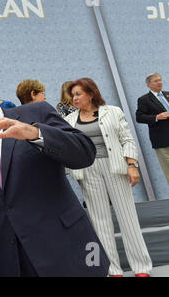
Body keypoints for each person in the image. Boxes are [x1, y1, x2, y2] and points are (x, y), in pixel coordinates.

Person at [0, 74, 109, 277]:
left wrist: (35, 133)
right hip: (9, 263)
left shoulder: (35, 113)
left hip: (64, 249)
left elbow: (84, 154)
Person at [64, 78, 153, 277]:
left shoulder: (113, 111)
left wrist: (132, 165)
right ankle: (113, 270)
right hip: (88, 171)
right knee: (99, 221)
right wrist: (74, 172)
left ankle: (141, 268)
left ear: (91, 93)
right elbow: (69, 149)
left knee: (127, 217)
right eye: (73, 95)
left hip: (115, 167)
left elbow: (127, 139)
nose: (75, 98)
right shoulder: (69, 120)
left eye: (78, 94)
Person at [136, 73, 169, 183]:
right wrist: (157, 117)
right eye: (156, 81)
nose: (160, 82)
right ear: (148, 84)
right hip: (162, 140)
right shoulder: (144, 100)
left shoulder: (168, 94)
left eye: (160, 80)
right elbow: (139, 117)